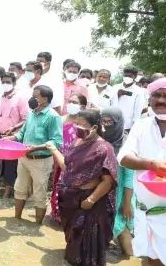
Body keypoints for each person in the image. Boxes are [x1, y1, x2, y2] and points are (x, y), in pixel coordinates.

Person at [47, 109, 118, 266]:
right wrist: (53, 150)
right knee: (72, 233)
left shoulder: (104, 148)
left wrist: (91, 200)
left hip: (90, 200)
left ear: (94, 127)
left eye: (81, 125)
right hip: (71, 197)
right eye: (76, 123)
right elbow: (67, 167)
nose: (77, 127)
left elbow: (108, 180)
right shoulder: (76, 143)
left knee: (87, 238)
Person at [117, 78, 166, 266]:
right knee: (149, 258)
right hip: (145, 210)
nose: (161, 100)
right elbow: (124, 158)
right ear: (150, 98)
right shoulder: (141, 125)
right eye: (157, 95)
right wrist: (152, 164)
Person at [3, 85, 63, 224]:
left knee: (39, 193)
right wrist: (12, 138)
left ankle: (36, 226)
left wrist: (36, 148)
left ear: (45, 99)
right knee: (19, 189)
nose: (32, 99)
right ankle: (16, 219)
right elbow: (22, 133)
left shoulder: (53, 117)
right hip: (24, 157)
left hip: (41, 160)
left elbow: (57, 141)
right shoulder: (32, 113)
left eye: (35, 96)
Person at [0, 72, 29, 197]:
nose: (6, 84)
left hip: (12, 137)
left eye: (8, 82)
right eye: (4, 82)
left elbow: (25, 119)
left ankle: (6, 193)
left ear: (14, 83)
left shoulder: (20, 99)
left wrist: (13, 127)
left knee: (10, 165)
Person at [99, 107, 134, 256]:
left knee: (122, 225)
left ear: (118, 123)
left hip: (120, 193)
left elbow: (129, 177)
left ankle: (130, 256)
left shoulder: (127, 145)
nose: (106, 125)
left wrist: (126, 204)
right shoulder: (99, 139)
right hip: (102, 189)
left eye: (110, 122)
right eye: (103, 121)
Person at [49, 93, 86, 223]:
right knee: (58, 184)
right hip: (59, 157)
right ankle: (57, 213)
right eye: (69, 101)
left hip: (75, 160)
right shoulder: (61, 119)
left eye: (75, 102)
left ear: (82, 106)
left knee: (70, 187)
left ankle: (68, 215)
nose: (71, 104)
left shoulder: (83, 123)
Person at [116, 66, 146, 133]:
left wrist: (135, 124)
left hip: (128, 125)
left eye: (129, 76)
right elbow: (109, 103)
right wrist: (117, 96)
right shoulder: (115, 87)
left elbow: (138, 108)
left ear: (135, 76)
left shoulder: (139, 91)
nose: (127, 77)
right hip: (113, 122)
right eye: (125, 75)